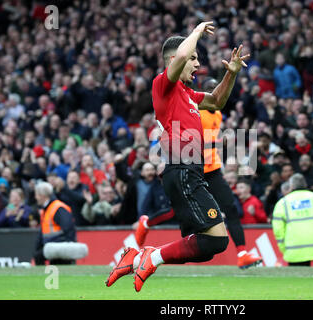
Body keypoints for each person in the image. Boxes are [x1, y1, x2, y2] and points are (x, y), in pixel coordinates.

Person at [106, 21, 250, 292]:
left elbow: (217, 101)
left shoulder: (187, 94)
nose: (197, 65)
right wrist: (195, 31)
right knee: (217, 238)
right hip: (182, 169)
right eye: (194, 59)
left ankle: (138, 257)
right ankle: (150, 257)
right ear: (174, 61)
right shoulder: (163, 86)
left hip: (190, 172)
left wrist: (230, 74)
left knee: (210, 245)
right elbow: (183, 54)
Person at [134, 78, 263, 269]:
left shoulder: (218, 114)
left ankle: (242, 253)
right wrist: (219, 144)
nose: (214, 91)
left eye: (216, 88)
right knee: (175, 211)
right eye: (210, 89)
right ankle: (147, 222)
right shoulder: (196, 111)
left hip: (213, 168)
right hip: (192, 167)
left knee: (230, 207)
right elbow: (191, 141)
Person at [272, 173, 313, 266]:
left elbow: (278, 230)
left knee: (299, 281)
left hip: (295, 252)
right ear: (305, 184)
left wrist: (283, 248)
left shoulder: (282, 203)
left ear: (291, 186)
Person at [33, 181, 77, 265]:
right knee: (38, 256)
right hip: (50, 246)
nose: (35, 197)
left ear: (43, 195)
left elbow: (68, 229)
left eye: (36, 195)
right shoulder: (46, 209)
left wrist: (69, 249)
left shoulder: (58, 208)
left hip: (60, 247)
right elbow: (42, 233)